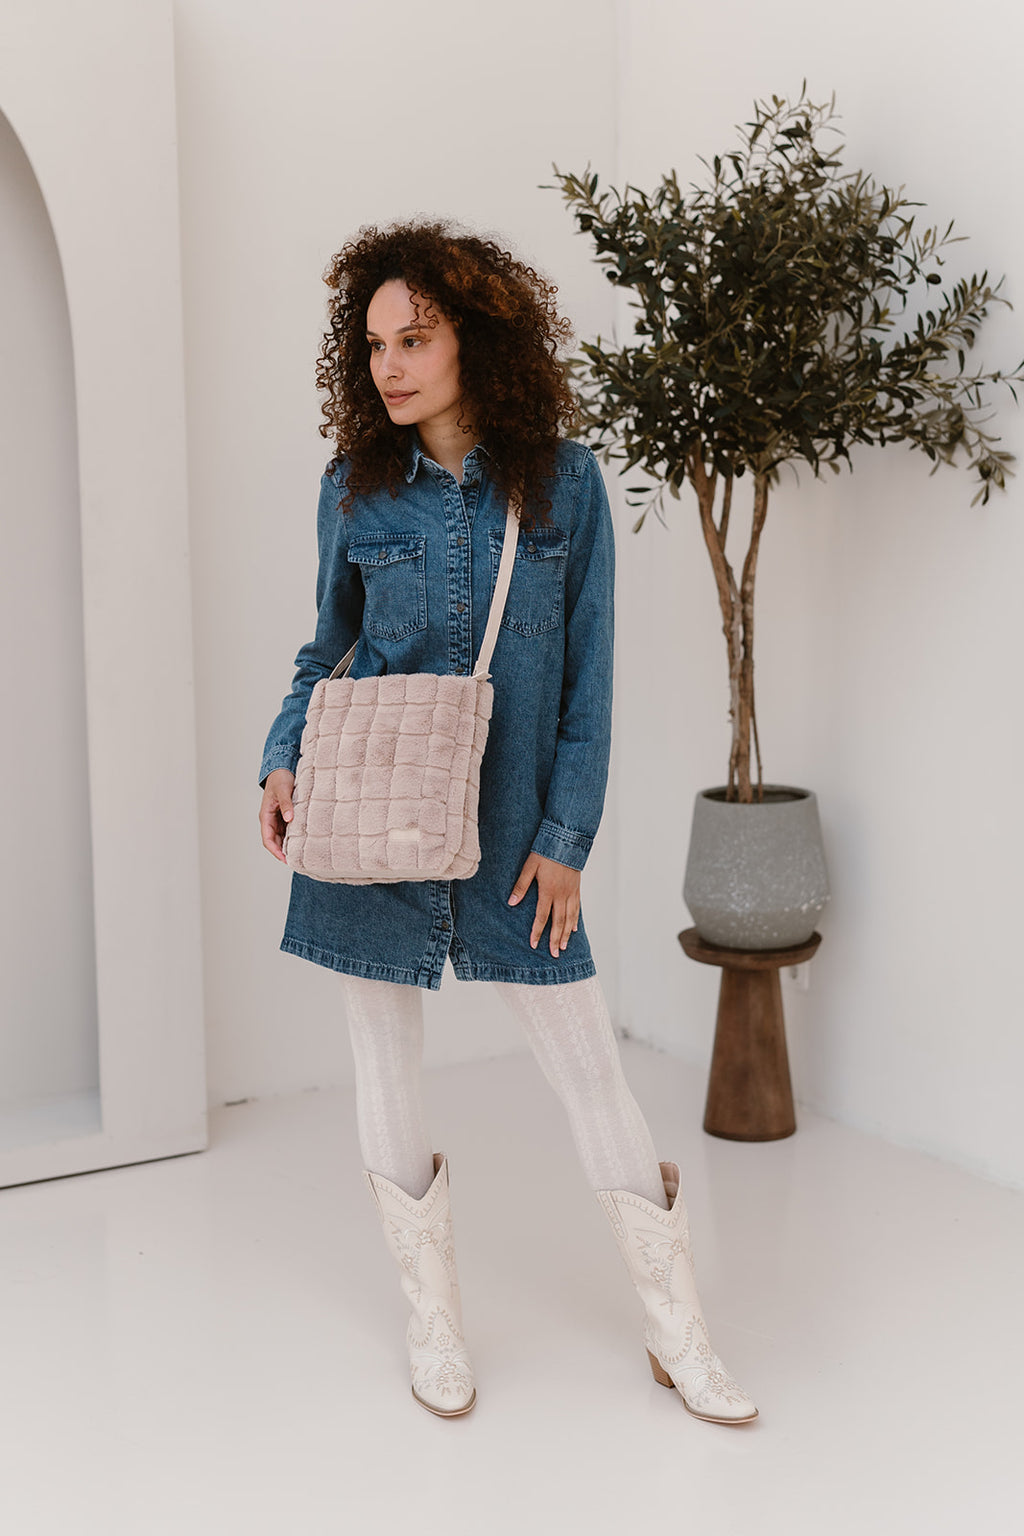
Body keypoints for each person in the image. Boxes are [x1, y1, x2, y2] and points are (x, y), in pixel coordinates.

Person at [257, 219, 758, 1425]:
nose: (388, 364)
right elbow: (326, 649)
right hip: (370, 817)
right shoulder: (351, 486)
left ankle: (677, 1330)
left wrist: (564, 838)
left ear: (475, 340)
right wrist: (278, 758)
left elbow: (589, 682)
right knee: (382, 1059)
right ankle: (433, 1321)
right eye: (373, 343)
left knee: (588, 1068)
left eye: (414, 338)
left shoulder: (563, 484)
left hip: (514, 825)